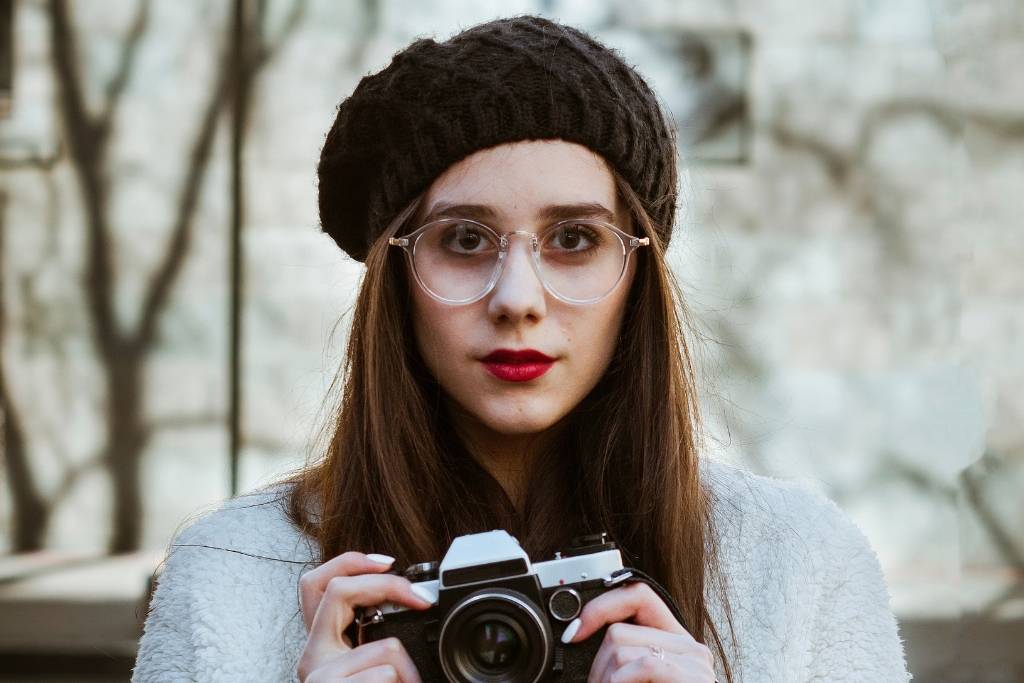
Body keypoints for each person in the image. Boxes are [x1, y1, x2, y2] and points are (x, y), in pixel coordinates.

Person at [132, 15, 910, 683]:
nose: (517, 298)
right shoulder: (234, 572)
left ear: (636, 270)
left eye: (574, 239)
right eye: (465, 239)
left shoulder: (798, 565)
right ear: (395, 273)